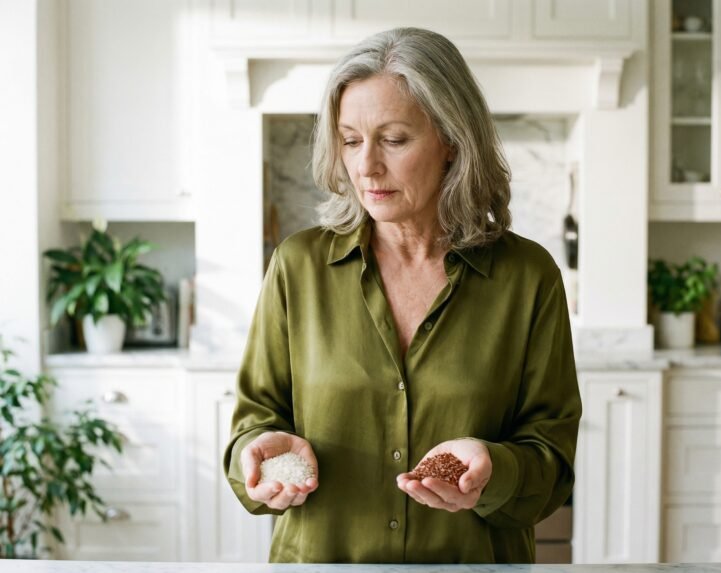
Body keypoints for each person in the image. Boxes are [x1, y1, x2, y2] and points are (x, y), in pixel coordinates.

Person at [223, 27, 581, 564]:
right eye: (350, 140)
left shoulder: (527, 277)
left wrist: (494, 469)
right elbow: (253, 422)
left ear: (453, 142)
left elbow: (552, 462)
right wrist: (258, 455)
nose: (366, 165)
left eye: (393, 139)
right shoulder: (298, 267)